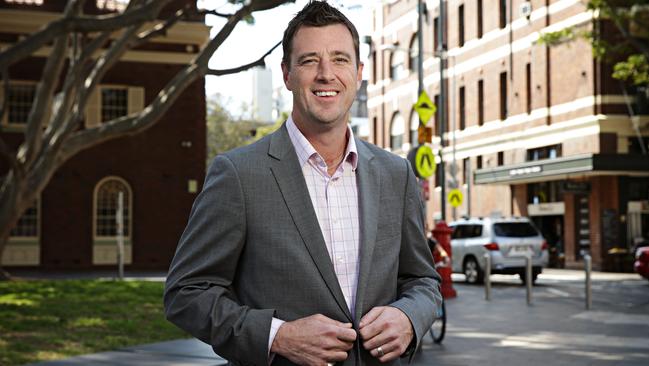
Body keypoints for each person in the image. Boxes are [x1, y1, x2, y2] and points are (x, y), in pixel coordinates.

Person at [163, 1, 442, 365]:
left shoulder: (396, 175)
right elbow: (186, 293)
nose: (326, 74)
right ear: (287, 74)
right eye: (310, 60)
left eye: (340, 59)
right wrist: (278, 335)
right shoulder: (238, 174)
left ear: (358, 73)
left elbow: (423, 281)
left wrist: (409, 317)